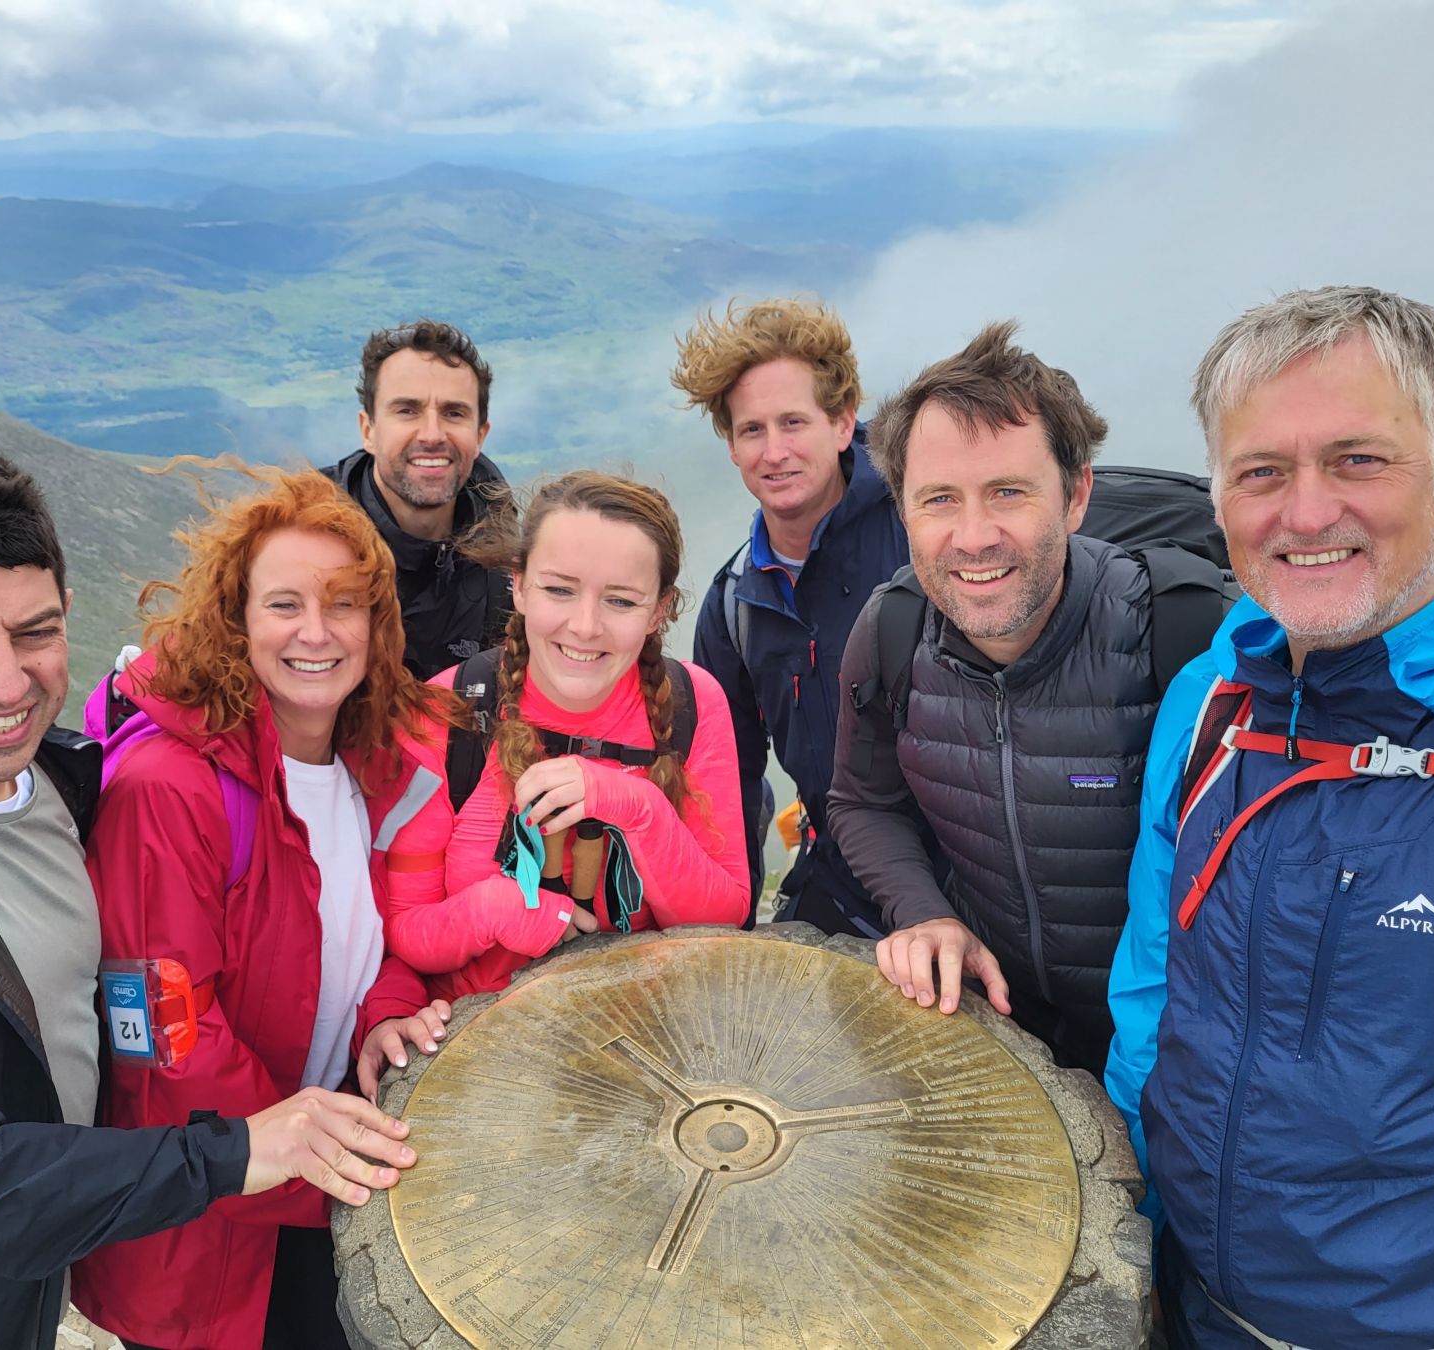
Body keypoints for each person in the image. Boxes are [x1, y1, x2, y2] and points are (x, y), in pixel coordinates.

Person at [0, 458, 417, 1350]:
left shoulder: (58, 780)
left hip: (15, 1288)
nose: (7, 681)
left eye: (35, 632)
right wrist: (250, 1154)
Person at [1106, 286, 1434, 1347]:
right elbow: (1153, 995)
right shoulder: (1214, 703)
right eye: (1262, 473)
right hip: (1198, 1308)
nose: (1304, 514)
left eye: (1357, 459)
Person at [74, 466, 464, 1349]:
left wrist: (388, 1017)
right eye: (284, 605)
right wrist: (327, 1169)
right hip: (209, 1232)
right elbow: (163, 1037)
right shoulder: (168, 787)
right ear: (236, 621)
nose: (316, 634)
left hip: (317, 1205)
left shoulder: (373, 770)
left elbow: (386, 940)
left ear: (377, 624)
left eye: (344, 605)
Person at [827, 322, 1217, 1077]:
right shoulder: (891, 633)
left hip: (1179, 1044)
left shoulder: (1185, 635)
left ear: (1076, 496)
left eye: (1008, 491)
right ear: (902, 513)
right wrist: (926, 914)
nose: (973, 537)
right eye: (939, 499)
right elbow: (862, 800)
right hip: (1004, 1026)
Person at [379, 471, 750, 999]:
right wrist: (492, 910)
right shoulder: (448, 710)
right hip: (482, 1034)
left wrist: (638, 806)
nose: (584, 626)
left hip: (643, 1026)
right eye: (559, 589)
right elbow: (405, 930)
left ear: (659, 611)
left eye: (620, 601)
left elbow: (725, 917)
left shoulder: (693, 705)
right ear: (519, 586)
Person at [675, 298, 908, 936]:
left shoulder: (920, 536)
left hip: (965, 898)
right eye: (752, 430)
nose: (774, 451)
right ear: (730, 446)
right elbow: (730, 786)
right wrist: (731, 931)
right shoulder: (734, 605)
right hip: (839, 895)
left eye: (794, 422)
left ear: (842, 423)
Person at [321, 318, 512, 679]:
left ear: (480, 435)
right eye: (407, 410)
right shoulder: (300, 535)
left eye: (454, 413)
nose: (431, 434)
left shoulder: (505, 560)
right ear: (369, 430)